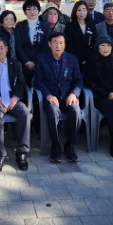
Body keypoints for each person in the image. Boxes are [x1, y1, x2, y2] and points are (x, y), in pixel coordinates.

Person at [0, 37, 31, 173]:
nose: (0, 51)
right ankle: (0, 155)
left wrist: (15, 98)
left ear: (7, 49)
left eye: (2, 48)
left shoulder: (16, 64)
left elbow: (21, 83)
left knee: (26, 114)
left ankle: (21, 153)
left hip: (12, 97)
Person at [33, 32, 83, 163]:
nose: (58, 46)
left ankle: (69, 144)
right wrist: (48, 95)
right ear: (49, 44)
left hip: (68, 97)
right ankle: (55, 144)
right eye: (55, 43)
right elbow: (37, 81)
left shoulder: (72, 59)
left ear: (65, 44)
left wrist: (74, 93)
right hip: (51, 97)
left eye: (61, 43)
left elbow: (78, 80)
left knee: (76, 111)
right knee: (53, 111)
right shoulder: (41, 59)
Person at [14, 0, 51, 86]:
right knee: (24, 87)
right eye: (29, 9)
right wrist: (27, 62)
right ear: (25, 12)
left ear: (38, 11)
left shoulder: (45, 26)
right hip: (24, 63)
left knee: (40, 87)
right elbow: (18, 46)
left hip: (40, 62)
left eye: (34, 9)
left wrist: (35, 62)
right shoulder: (20, 26)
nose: (32, 12)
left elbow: (45, 46)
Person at [64, 0, 97, 72]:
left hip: (89, 60)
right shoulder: (70, 26)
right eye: (79, 10)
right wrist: (78, 59)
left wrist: (89, 59)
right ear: (75, 12)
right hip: (75, 59)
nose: (82, 12)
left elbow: (95, 44)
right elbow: (68, 45)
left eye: (84, 10)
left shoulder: (92, 26)